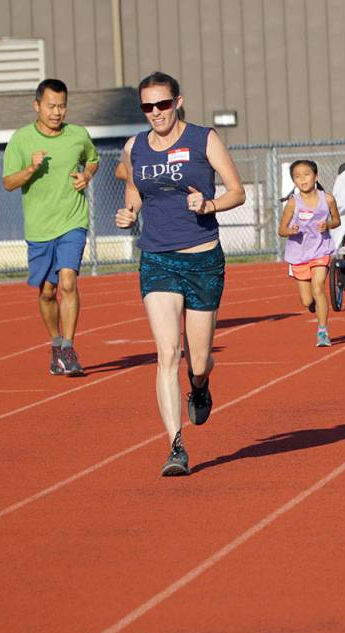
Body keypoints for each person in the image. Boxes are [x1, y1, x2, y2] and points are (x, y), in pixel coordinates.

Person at [114, 72, 246, 477]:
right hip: (157, 259)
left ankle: (201, 385)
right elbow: (134, 186)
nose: (156, 113)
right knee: (167, 353)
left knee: (199, 359)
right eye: (147, 107)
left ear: (178, 102)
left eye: (163, 105)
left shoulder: (203, 139)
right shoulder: (135, 146)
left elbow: (237, 190)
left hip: (202, 259)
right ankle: (175, 445)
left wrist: (210, 205)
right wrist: (130, 211)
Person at [2, 78, 99, 376]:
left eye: (62, 106)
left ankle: (68, 348)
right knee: (47, 291)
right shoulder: (21, 140)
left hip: (72, 220)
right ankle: (56, 344)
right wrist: (30, 169)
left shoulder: (78, 135)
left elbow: (92, 159)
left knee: (68, 281)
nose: (57, 112)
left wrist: (88, 175)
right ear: (37, 106)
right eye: (51, 106)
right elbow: (8, 183)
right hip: (39, 228)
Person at [277, 159, 341, 346]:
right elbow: (281, 230)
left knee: (318, 287)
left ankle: (322, 331)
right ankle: (312, 304)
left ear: (316, 176)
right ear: (294, 181)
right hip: (299, 254)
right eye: (297, 176)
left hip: (321, 250)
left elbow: (336, 220)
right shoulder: (292, 203)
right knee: (306, 300)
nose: (302, 179)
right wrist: (291, 230)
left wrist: (328, 224)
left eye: (306, 174)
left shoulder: (327, 198)